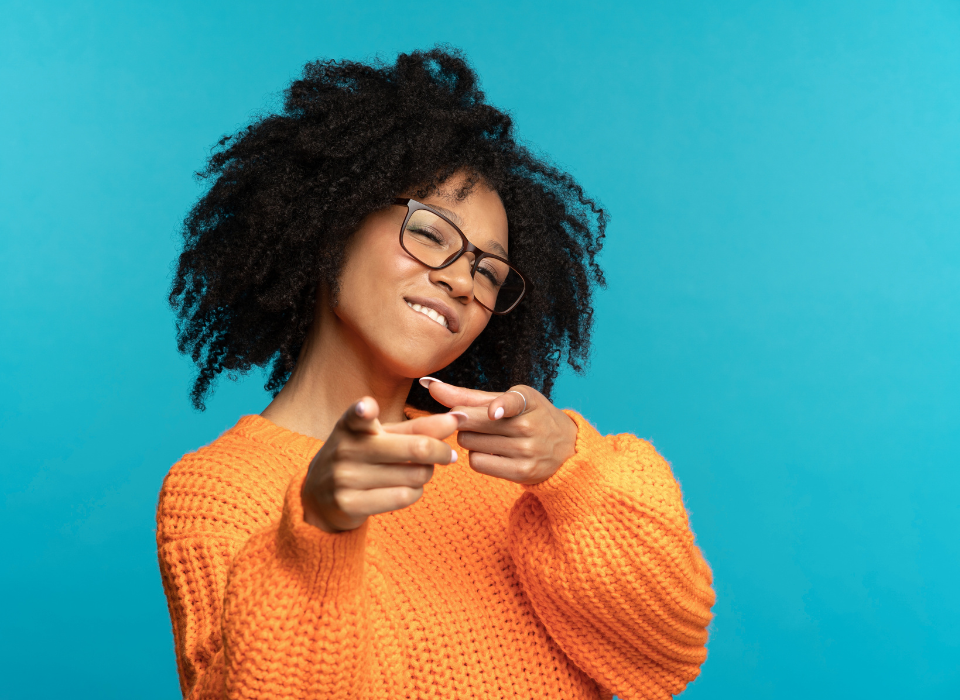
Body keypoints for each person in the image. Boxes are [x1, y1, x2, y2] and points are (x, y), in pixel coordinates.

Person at [158, 47, 715, 699]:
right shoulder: (217, 491)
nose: (459, 280)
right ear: (336, 223)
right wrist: (317, 533)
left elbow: (668, 655)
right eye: (430, 234)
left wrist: (576, 469)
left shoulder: (514, 471)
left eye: (488, 271)